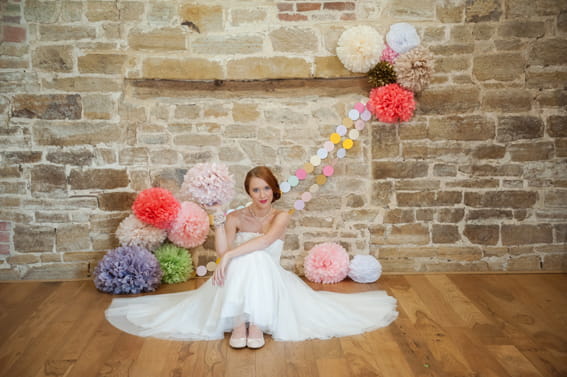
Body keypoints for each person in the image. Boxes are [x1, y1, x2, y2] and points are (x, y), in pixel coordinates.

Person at [105, 166, 397, 349]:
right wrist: (219, 222)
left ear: (274, 190)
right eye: (256, 189)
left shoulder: (280, 217)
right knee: (245, 259)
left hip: (270, 278)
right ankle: (243, 323)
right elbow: (222, 252)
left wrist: (231, 254)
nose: (262, 194)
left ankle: (252, 322)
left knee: (255, 256)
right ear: (248, 191)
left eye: (267, 188)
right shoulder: (235, 216)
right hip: (236, 277)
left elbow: (265, 241)